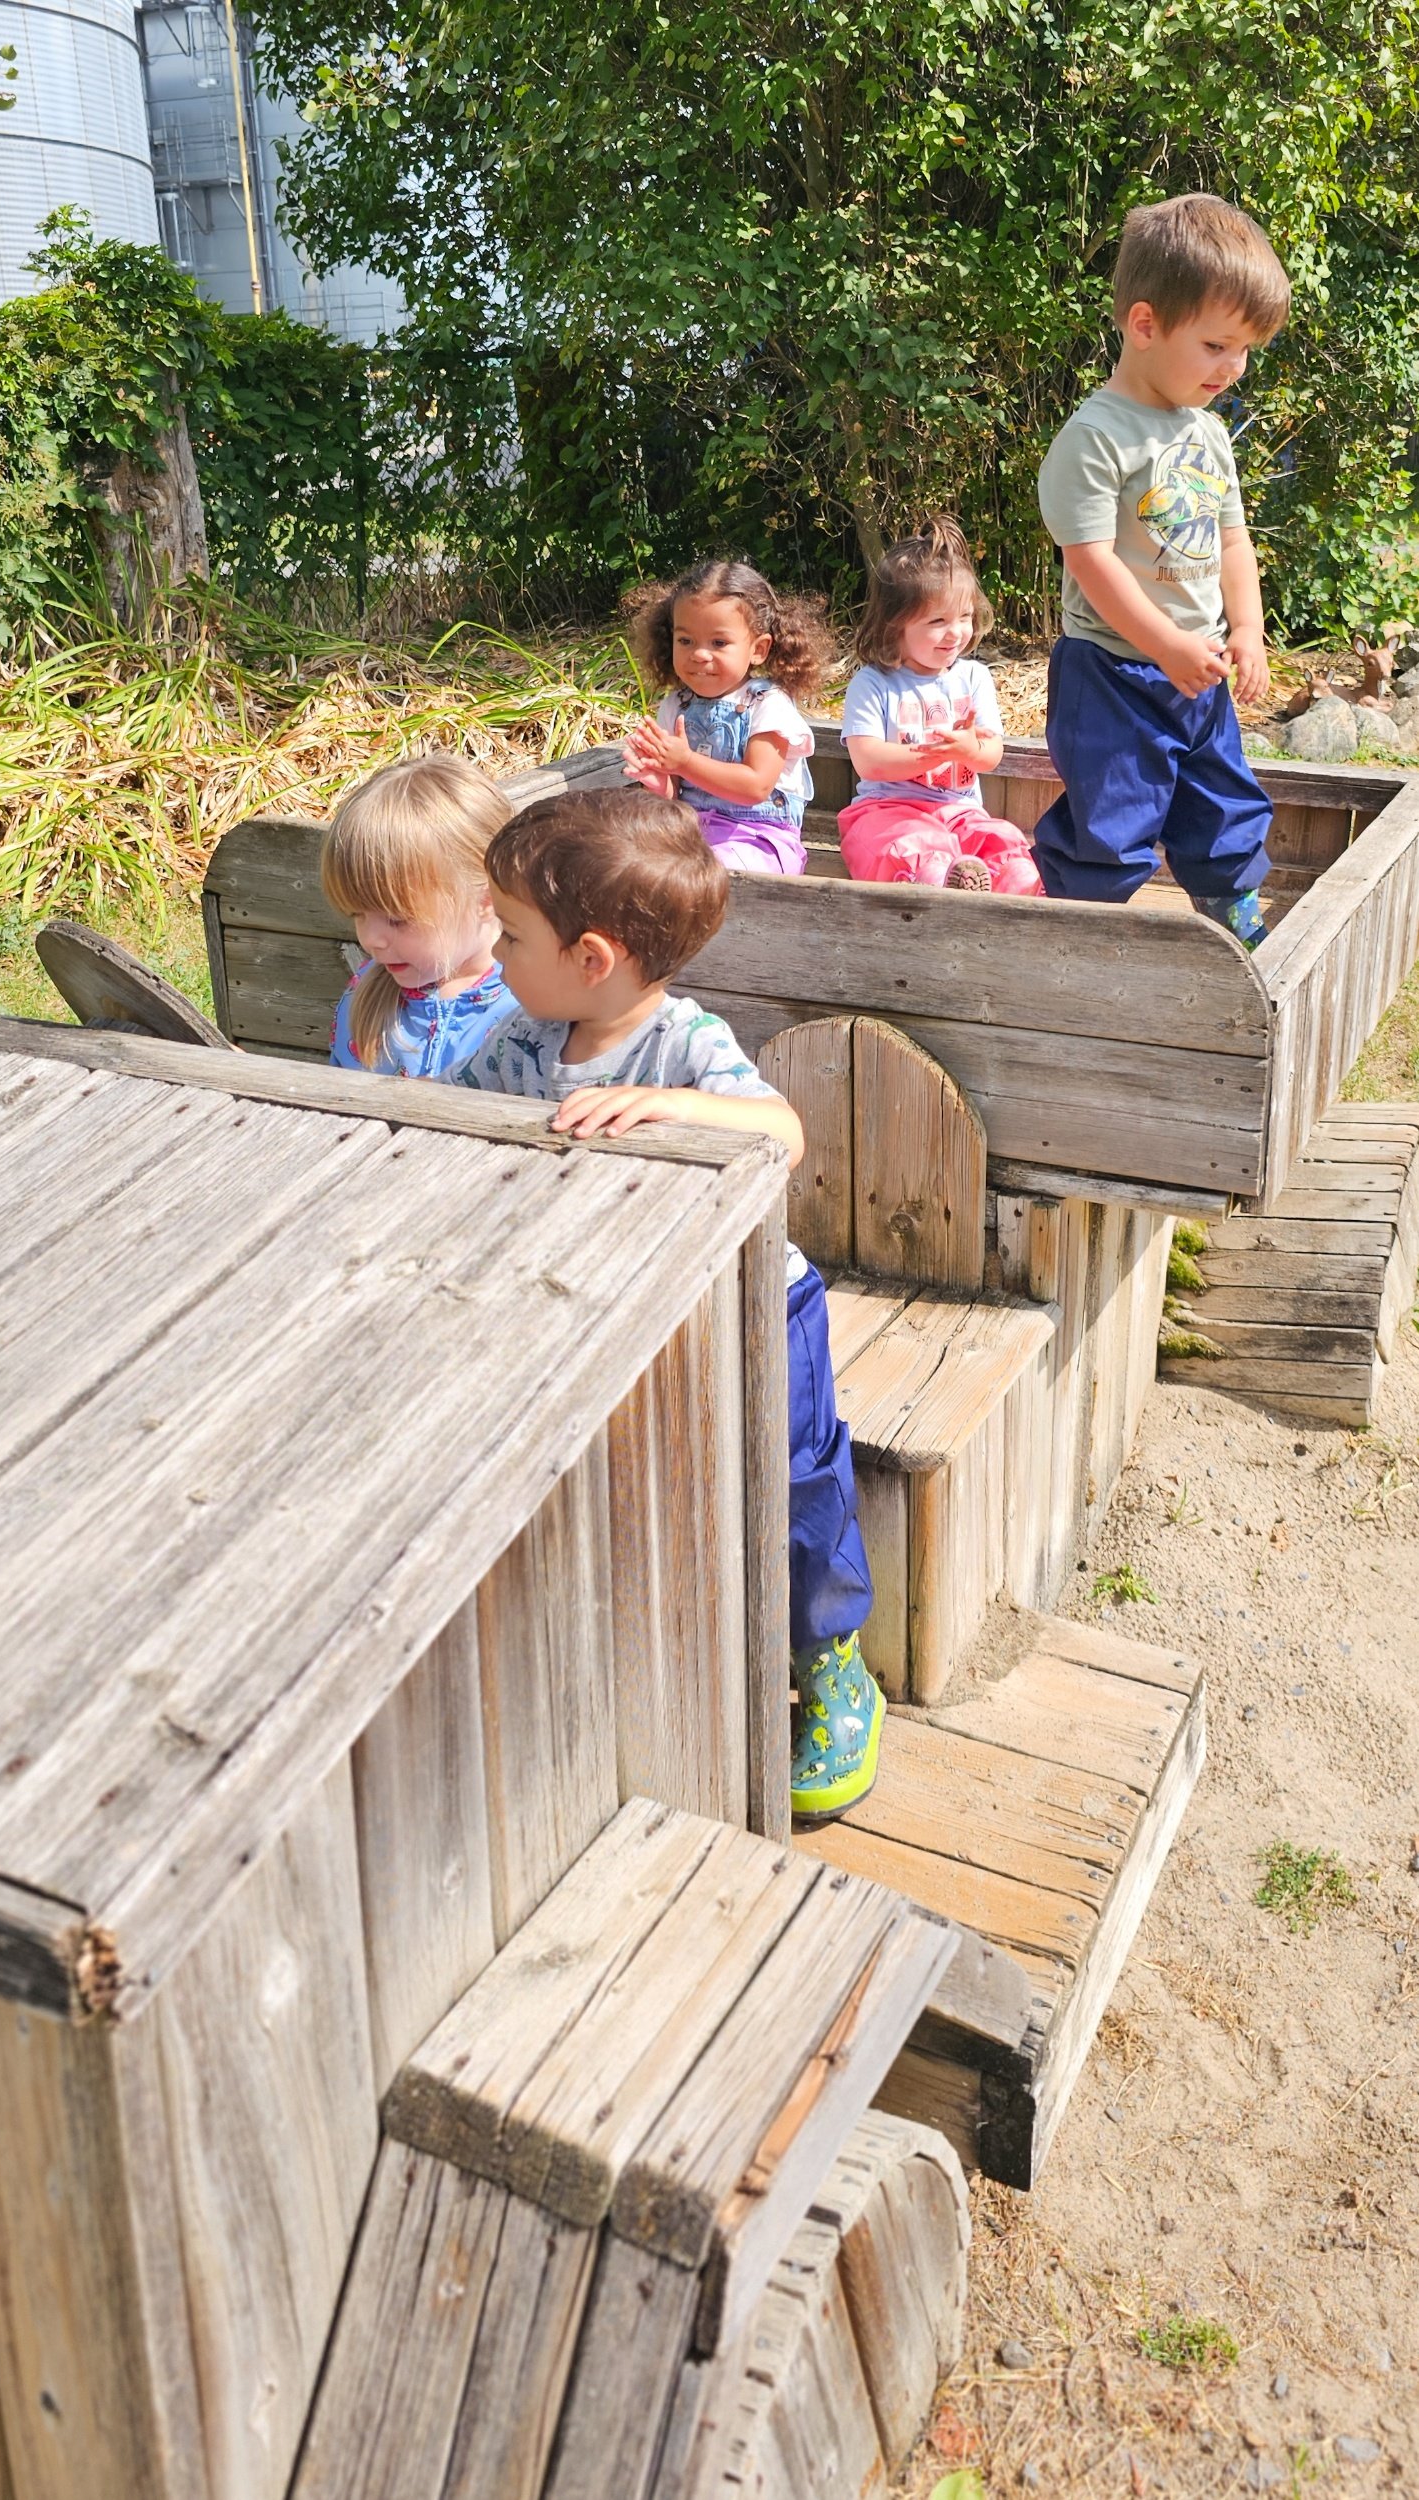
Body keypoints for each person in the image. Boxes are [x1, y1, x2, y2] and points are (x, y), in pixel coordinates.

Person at [447, 783, 882, 1824]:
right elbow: (448, 1119)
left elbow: (783, 1134)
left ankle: (831, 1660)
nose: (493, 953)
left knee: (794, 1479)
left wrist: (676, 1107)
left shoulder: (684, 1044)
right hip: (606, 1308)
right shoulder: (519, 1041)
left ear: (590, 958)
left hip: (753, 1307)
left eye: (510, 935)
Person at [1032, 193, 1292, 947]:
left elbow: (1232, 540)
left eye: (1245, 350)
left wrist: (1247, 628)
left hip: (1197, 669)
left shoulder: (1208, 433)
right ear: (1144, 325)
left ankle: (1231, 914)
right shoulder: (1096, 437)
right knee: (1112, 816)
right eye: (1216, 345)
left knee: (1222, 802)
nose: (1234, 367)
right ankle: (1083, 938)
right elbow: (1092, 562)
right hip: (1113, 672)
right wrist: (1164, 644)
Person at [837, 517, 1044, 894]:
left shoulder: (973, 677)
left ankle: (1015, 881)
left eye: (964, 617)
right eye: (938, 621)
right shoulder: (873, 683)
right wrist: (934, 754)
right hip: (887, 810)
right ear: (894, 625)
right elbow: (868, 761)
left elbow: (991, 754)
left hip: (961, 811)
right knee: (900, 846)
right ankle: (934, 878)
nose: (956, 632)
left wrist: (969, 750)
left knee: (1001, 837)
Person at [620, 559, 833, 876]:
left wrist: (684, 762)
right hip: (690, 835)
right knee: (624, 859)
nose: (698, 654)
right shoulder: (675, 705)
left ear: (758, 649)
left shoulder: (768, 704)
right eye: (685, 641)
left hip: (759, 839)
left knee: (709, 871)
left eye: (719, 643)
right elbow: (674, 799)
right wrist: (659, 784)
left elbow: (756, 786)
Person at [321, 753, 517, 1076]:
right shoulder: (366, 997)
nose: (371, 940)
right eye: (358, 914)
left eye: (398, 919)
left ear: (487, 899)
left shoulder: (532, 1011)